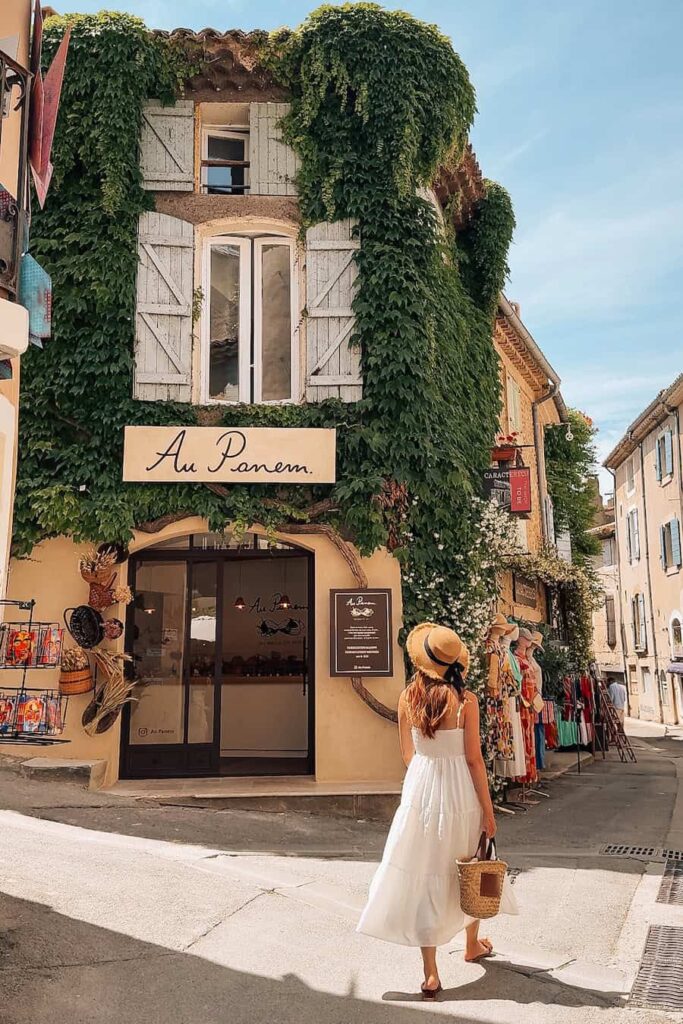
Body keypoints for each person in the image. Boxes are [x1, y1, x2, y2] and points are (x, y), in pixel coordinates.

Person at [357, 623, 518, 999]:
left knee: (425, 870)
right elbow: (475, 761)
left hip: (422, 788)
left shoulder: (406, 698)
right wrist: (488, 811)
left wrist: (424, 778)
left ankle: (430, 974)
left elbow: (407, 754)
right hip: (460, 790)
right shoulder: (467, 702)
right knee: (468, 866)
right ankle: (471, 944)